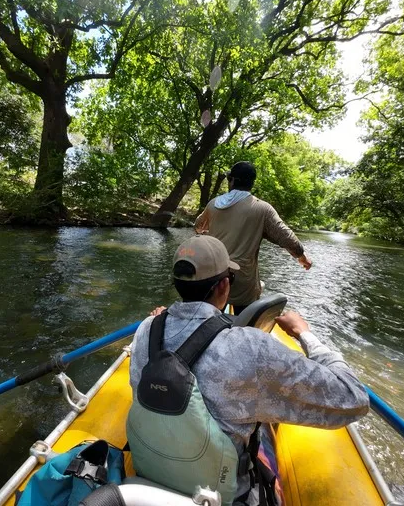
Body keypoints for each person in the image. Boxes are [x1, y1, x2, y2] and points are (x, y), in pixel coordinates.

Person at [125, 235, 369, 506]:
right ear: (224, 285)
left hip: (151, 478)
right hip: (221, 495)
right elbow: (353, 398)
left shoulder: (147, 328)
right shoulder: (250, 347)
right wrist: (305, 334)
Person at [195, 161, 311, 314]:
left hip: (214, 276)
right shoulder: (262, 208)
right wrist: (301, 257)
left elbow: (198, 226)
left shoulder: (213, 204)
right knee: (244, 323)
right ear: (252, 183)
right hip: (242, 282)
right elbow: (286, 238)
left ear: (231, 180)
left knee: (209, 319)